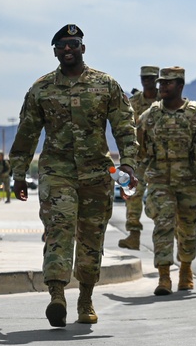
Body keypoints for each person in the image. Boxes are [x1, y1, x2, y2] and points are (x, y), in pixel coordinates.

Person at [9, 24, 138, 327]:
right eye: (62, 46)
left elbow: (124, 127)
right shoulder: (41, 89)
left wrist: (129, 164)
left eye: (73, 44)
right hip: (57, 172)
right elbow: (26, 133)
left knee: (92, 238)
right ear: (54, 51)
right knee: (60, 228)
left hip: (97, 174)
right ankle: (56, 294)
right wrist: (17, 173)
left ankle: (86, 297)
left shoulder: (105, 85)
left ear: (83, 48)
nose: (68, 49)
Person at [137, 67, 196, 296]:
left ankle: (185, 268)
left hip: (189, 180)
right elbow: (140, 152)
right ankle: (164, 276)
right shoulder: (150, 117)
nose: (162, 87)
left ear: (180, 85)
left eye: (168, 83)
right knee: (162, 225)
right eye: (161, 83)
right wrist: (133, 179)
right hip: (159, 181)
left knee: (187, 229)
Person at [118, 66, 159, 250]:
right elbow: (126, 129)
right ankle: (133, 235)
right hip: (140, 159)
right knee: (132, 194)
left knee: (161, 199)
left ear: (157, 79)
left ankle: (163, 237)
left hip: (161, 161)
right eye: (144, 78)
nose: (147, 81)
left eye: (151, 78)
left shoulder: (165, 101)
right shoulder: (133, 103)